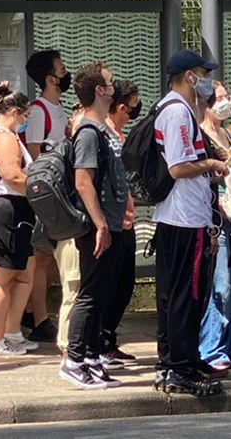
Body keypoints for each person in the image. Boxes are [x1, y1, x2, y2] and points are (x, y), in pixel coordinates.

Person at [152, 50, 230, 396]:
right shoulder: (178, 113)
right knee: (187, 293)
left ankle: (177, 360)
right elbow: (179, 167)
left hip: (178, 216)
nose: (208, 79)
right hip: (184, 218)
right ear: (189, 76)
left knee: (177, 294)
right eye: (202, 72)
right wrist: (211, 165)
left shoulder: (174, 109)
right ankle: (180, 366)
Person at [61, 63, 126, 390]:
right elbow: (83, 182)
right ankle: (73, 359)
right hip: (96, 225)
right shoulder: (88, 131)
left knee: (102, 293)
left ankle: (89, 355)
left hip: (111, 223)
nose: (115, 86)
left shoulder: (101, 128)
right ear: (100, 90)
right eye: (110, 82)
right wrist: (100, 223)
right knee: (90, 293)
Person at [0, 84, 37, 357]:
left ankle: (13, 333)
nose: (25, 121)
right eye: (24, 116)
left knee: (24, 275)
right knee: (1, 279)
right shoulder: (4, 138)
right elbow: (13, 176)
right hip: (5, 209)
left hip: (15, 209)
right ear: (13, 112)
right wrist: (42, 189)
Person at [200, 79, 231, 374]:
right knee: (221, 285)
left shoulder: (228, 133)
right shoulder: (202, 134)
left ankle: (229, 347)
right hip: (215, 216)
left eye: (227, 96)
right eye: (219, 97)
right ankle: (211, 348)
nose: (225, 102)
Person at [23, 48, 69, 345]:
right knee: (41, 257)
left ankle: (32, 311)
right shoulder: (39, 109)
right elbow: (34, 150)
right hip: (47, 191)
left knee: (52, 257)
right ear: (50, 77)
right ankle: (39, 318)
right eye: (62, 69)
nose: (66, 73)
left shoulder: (60, 107)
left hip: (61, 189)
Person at [99, 80, 141, 366]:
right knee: (108, 285)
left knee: (125, 284)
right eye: (131, 108)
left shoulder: (120, 136)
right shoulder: (103, 134)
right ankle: (99, 342)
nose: (132, 113)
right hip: (112, 221)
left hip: (127, 221)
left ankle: (108, 339)